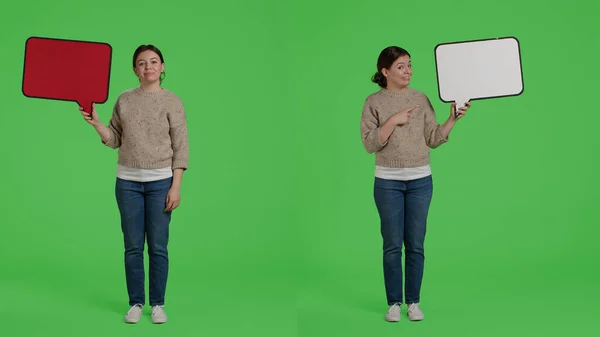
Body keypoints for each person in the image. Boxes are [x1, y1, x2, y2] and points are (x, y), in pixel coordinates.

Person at [79, 44, 189, 324]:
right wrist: (96, 123)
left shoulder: (173, 102)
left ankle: (158, 303)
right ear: (135, 70)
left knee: (158, 247)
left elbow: (181, 147)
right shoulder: (124, 100)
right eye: (141, 63)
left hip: (161, 182)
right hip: (127, 183)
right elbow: (115, 138)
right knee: (132, 247)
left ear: (162, 67)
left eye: (154, 62)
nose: (148, 66)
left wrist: (175, 186)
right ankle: (136, 303)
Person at [360, 46, 470, 323]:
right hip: (388, 183)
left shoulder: (421, 98)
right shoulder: (373, 102)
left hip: (421, 180)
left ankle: (414, 302)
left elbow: (434, 138)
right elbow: (369, 143)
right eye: (400, 66)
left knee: (416, 245)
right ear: (385, 72)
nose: (408, 71)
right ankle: (394, 303)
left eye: (409, 65)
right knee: (392, 245)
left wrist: (453, 118)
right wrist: (393, 121)